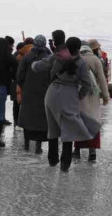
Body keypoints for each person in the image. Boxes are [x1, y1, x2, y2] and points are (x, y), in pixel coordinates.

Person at [33, 36, 99, 172]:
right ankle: (64, 164)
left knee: (52, 128)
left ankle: (52, 160)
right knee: (69, 130)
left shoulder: (56, 56)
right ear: (78, 49)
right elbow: (87, 84)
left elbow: (38, 66)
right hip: (68, 94)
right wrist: (79, 95)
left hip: (51, 94)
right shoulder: (80, 62)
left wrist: (33, 64)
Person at [16, 35, 52, 155]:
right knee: (41, 119)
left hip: (28, 92)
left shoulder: (27, 57)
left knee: (27, 117)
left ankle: (26, 144)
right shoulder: (48, 57)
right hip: (44, 92)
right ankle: (38, 146)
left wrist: (24, 87)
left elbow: (19, 76)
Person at [74, 41, 110, 162]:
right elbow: (102, 79)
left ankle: (77, 150)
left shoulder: (76, 59)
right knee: (93, 120)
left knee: (79, 120)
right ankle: (92, 151)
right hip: (93, 95)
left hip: (78, 95)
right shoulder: (95, 60)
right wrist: (105, 96)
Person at [12, 38, 34, 128]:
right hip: (28, 81)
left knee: (16, 102)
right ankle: (27, 121)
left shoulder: (16, 53)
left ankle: (16, 121)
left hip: (16, 81)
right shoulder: (32, 54)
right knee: (28, 103)